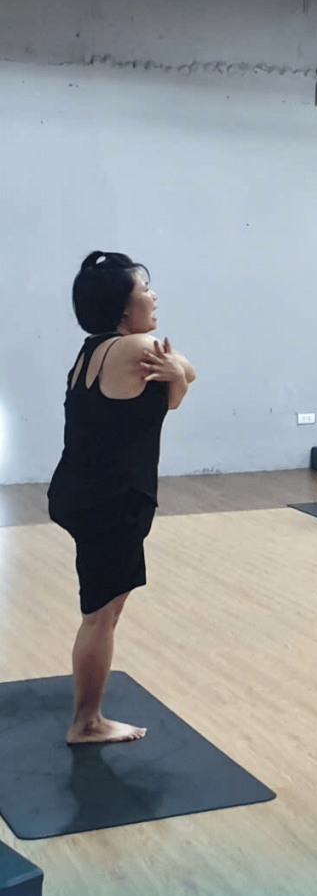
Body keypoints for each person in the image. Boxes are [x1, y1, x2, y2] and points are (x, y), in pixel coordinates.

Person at [47, 252, 196, 744]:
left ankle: (88, 715)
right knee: (101, 616)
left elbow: (179, 385)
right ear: (122, 305)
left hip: (80, 491)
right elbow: (183, 381)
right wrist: (177, 371)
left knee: (103, 610)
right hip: (112, 500)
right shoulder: (138, 347)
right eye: (144, 289)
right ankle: (87, 722)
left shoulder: (91, 351)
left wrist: (178, 374)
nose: (154, 296)